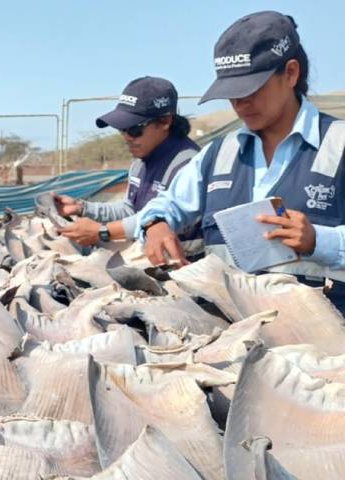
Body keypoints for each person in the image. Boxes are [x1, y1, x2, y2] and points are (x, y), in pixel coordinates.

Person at [138, 11, 345, 311]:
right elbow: (165, 205)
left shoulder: (339, 144)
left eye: (250, 90)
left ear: (290, 73)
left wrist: (318, 241)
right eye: (231, 94)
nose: (240, 104)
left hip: (319, 341)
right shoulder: (218, 153)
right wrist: (155, 224)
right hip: (230, 337)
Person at [54, 77, 200, 247]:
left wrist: (102, 232)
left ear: (165, 121)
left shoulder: (189, 165)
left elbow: (165, 220)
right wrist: (81, 208)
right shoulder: (140, 163)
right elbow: (131, 210)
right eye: (122, 129)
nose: (126, 137)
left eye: (134, 129)